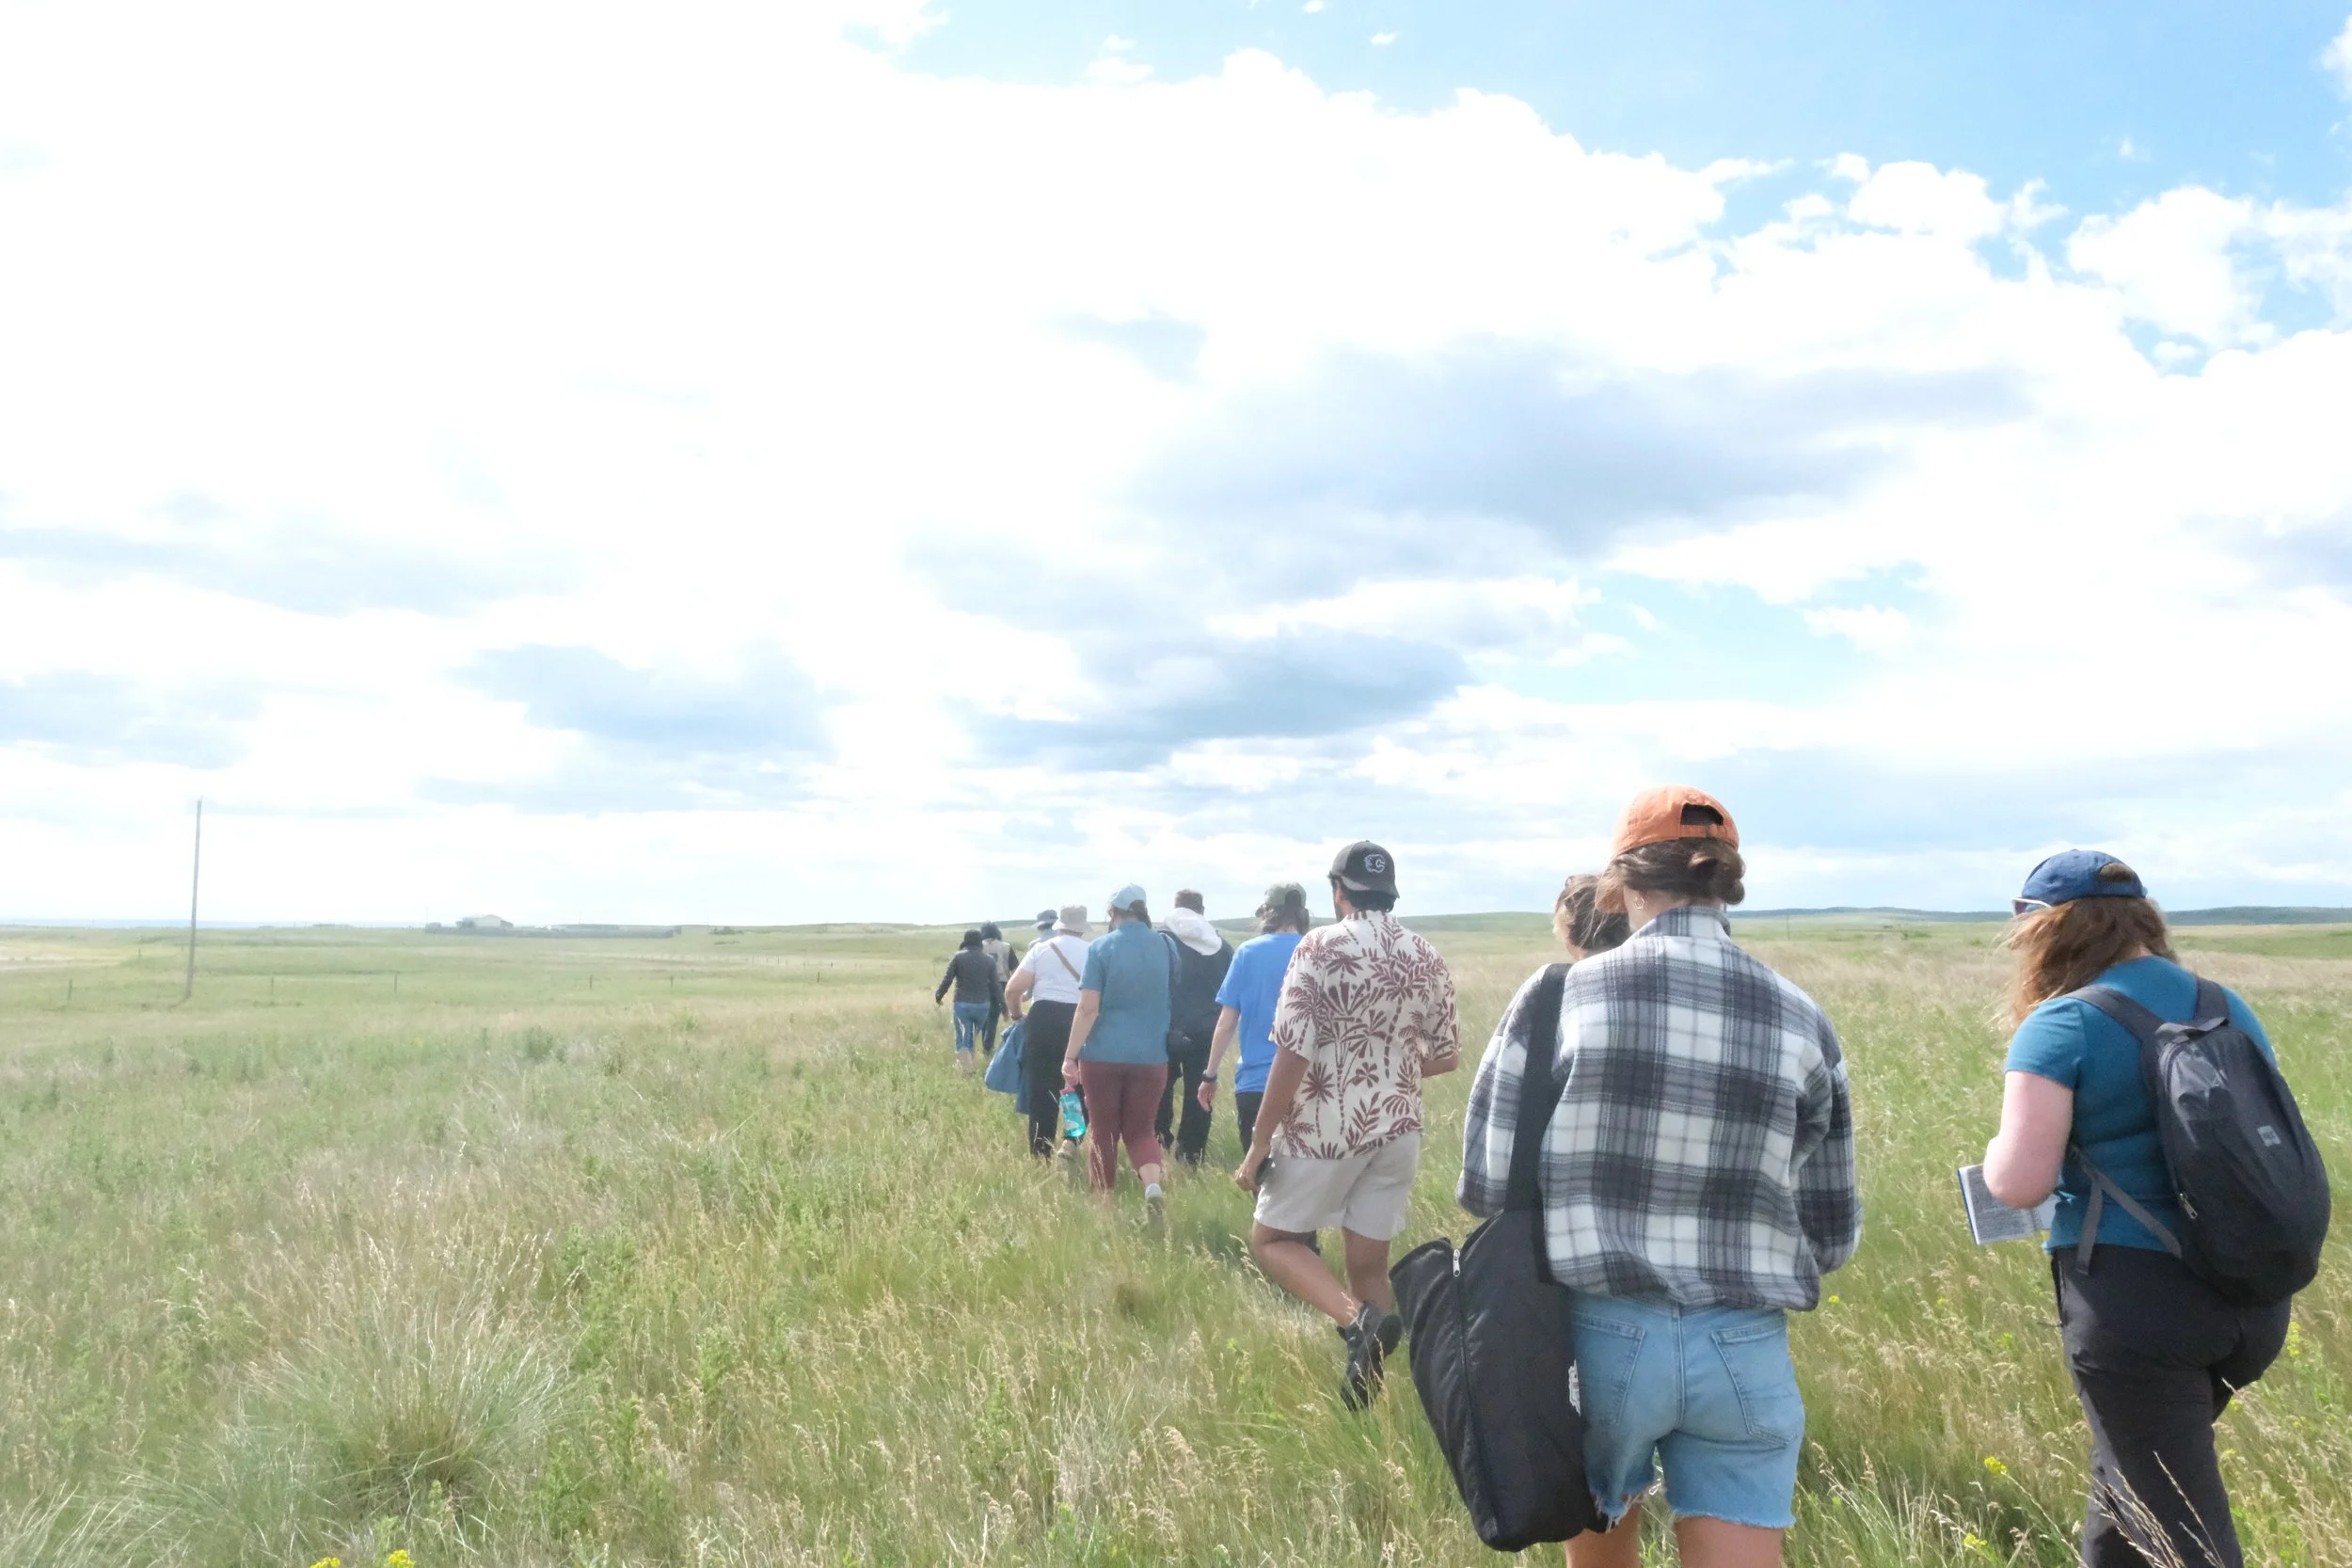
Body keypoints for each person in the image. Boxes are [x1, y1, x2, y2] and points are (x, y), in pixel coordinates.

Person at [1457, 787, 1860, 1568]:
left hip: (1592, 1334)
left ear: (1622, 881)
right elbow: (1832, 1233)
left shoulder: (1558, 998)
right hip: (1745, 1341)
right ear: (1727, 879)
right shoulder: (1801, 1016)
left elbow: (1485, 1182)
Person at [1981, 850, 2292, 1568]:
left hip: (2138, 1305)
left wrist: (1995, 1153)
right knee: (2127, 1488)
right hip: (2252, 1293)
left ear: (2043, 930)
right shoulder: (2223, 1003)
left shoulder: (2062, 1022)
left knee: (2183, 1533)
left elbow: (2019, 1183)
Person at [1235, 842, 1460, 1408]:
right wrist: (1389, 1068)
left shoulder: (1320, 947)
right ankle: (1368, 1399)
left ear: (1339, 892)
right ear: (1391, 893)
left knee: (1272, 1240)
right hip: (1398, 1129)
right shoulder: (1425, 954)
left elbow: (1292, 1052)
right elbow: (1447, 1055)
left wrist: (1259, 1142)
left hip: (1324, 1127)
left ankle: (1358, 1323)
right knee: (1368, 1265)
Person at [1062, 884, 1175, 1219]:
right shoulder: (1165, 946)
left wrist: (1070, 1056)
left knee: (1103, 1133)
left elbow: (1088, 1009)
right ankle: (1152, 1187)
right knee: (1142, 1131)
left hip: (1102, 1055)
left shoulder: (1101, 947)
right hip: (1151, 1055)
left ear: (1113, 912)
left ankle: (1104, 1209)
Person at [1200, 881, 1313, 1153]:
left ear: (1267, 912)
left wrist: (1210, 1075)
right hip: (1308, 1083)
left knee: (1258, 1170)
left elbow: (1226, 1023)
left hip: (1256, 1083)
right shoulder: (1315, 950)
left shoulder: (1248, 952)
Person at [1004, 905, 1091, 1158]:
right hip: (1080, 1019)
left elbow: (1013, 989)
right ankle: (1071, 1141)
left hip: (1043, 1019)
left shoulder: (1041, 949)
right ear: (1082, 928)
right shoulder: (1093, 951)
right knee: (1076, 1086)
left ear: (1059, 925)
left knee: (1042, 1091)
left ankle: (1041, 1154)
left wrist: (1017, 1015)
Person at [1155, 889, 1233, 1166]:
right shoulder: (1221, 946)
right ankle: (1190, 1155)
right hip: (1206, 1030)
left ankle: (1158, 1142)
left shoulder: (1160, 941)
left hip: (1165, 1027)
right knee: (1200, 1094)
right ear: (1202, 910)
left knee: (1159, 1089)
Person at [932, 928, 1003, 1075]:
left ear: (965, 941)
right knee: (970, 1037)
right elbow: (996, 985)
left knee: (962, 1040)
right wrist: (1004, 1006)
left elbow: (947, 980)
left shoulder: (958, 957)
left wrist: (939, 996)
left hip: (962, 1004)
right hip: (983, 1006)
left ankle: (968, 1071)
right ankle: (966, 1069)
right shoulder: (989, 960)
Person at [977, 921, 1016, 1056]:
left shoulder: (978, 946)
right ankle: (988, 1047)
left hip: (982, 984)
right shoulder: (1006, 947)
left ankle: (986, 1046)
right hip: (1001, 983)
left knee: (985, 1015)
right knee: (993, 1016)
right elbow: (1014, 969)